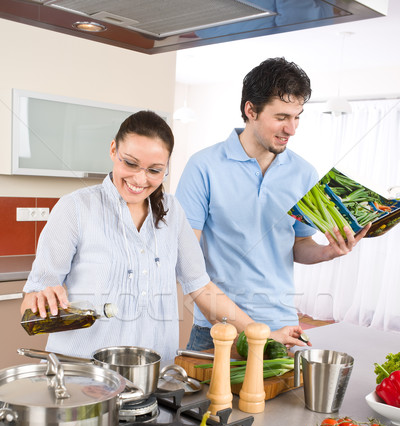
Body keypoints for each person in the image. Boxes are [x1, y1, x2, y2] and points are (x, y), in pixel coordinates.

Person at [21, 110, 308, 361]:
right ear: (113, 150)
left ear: (167, 168)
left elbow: (202, 288)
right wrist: (41, 297)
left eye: (154, 170)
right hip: (82, 376)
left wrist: (264, 336)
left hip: (152, 376)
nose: (139, 179)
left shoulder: (172, 212)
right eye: (130, 163)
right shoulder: (76, 209)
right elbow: (33, 297)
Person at [176, 57, 370, 351]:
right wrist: (255, 332)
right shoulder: (203, 166)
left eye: (297, 117)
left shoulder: (303, 173)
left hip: (281, 325)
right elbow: (187, 262)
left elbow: (299, 245)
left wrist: (328, 252)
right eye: (281, 117)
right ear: (250, 110)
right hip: (218, 330)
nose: (291, 129)